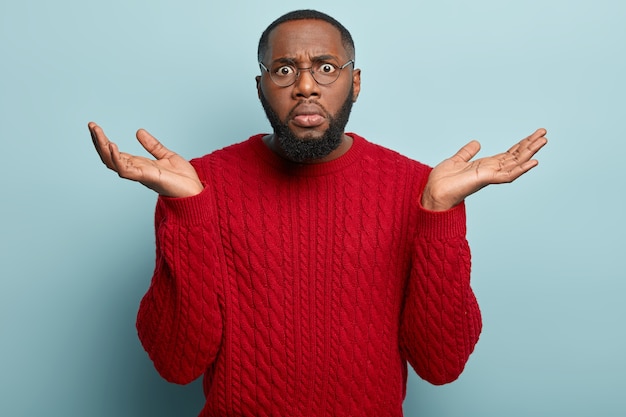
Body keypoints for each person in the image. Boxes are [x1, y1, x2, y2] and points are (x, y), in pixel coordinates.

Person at [88, 9, 547, 417]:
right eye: (284, 69)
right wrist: (188, 214)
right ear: (261, 86)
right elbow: (176, 363)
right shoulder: (195, 185)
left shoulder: (420, 189)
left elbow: (441, 364)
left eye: (326, 68)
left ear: (356, 82)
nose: (305, 86)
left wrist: (440, 215)